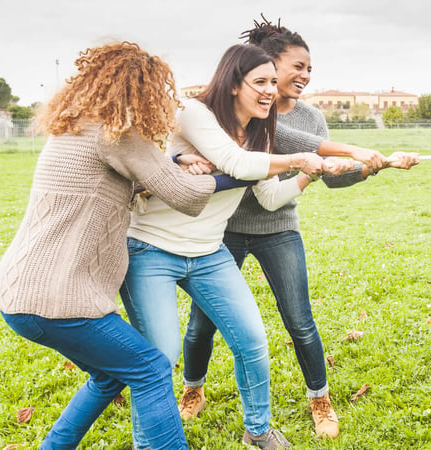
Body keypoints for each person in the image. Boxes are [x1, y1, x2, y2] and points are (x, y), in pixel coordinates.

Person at [177, 18, 418, 439]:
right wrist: (342, 151)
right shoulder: (248, 113)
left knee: (300, 320)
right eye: (298, 66)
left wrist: (369, 168)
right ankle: (192, 389)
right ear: (263, 68)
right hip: (226, 229)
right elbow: (293, 145)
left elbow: (327, 173)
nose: (305, 76)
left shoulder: (311, 118)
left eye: (310, 69)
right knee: (203, 323)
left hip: (278, 226)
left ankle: (319, 398)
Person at [0, 42, 220, 449]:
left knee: (109, 373)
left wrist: (173, 163)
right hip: (60, 301)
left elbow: (113, 178)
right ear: (139, 91)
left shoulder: (75, 127)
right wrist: (221, 172)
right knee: (150, 368)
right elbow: (185, 197)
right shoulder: (119, 136)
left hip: (18, 294)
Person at [120, 44, 327, 450]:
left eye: (273, 82)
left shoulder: (259, 130)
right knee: (158, 359)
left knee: (251, 341)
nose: (271, 90)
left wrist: (309, 175)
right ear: (234, 84)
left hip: (208, 251)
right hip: (152, 249)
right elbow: (238, 165)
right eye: (261, 82)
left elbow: (267, 196)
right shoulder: (196, 113)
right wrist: (301, 158)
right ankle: (150, 442)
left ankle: (258, 431)